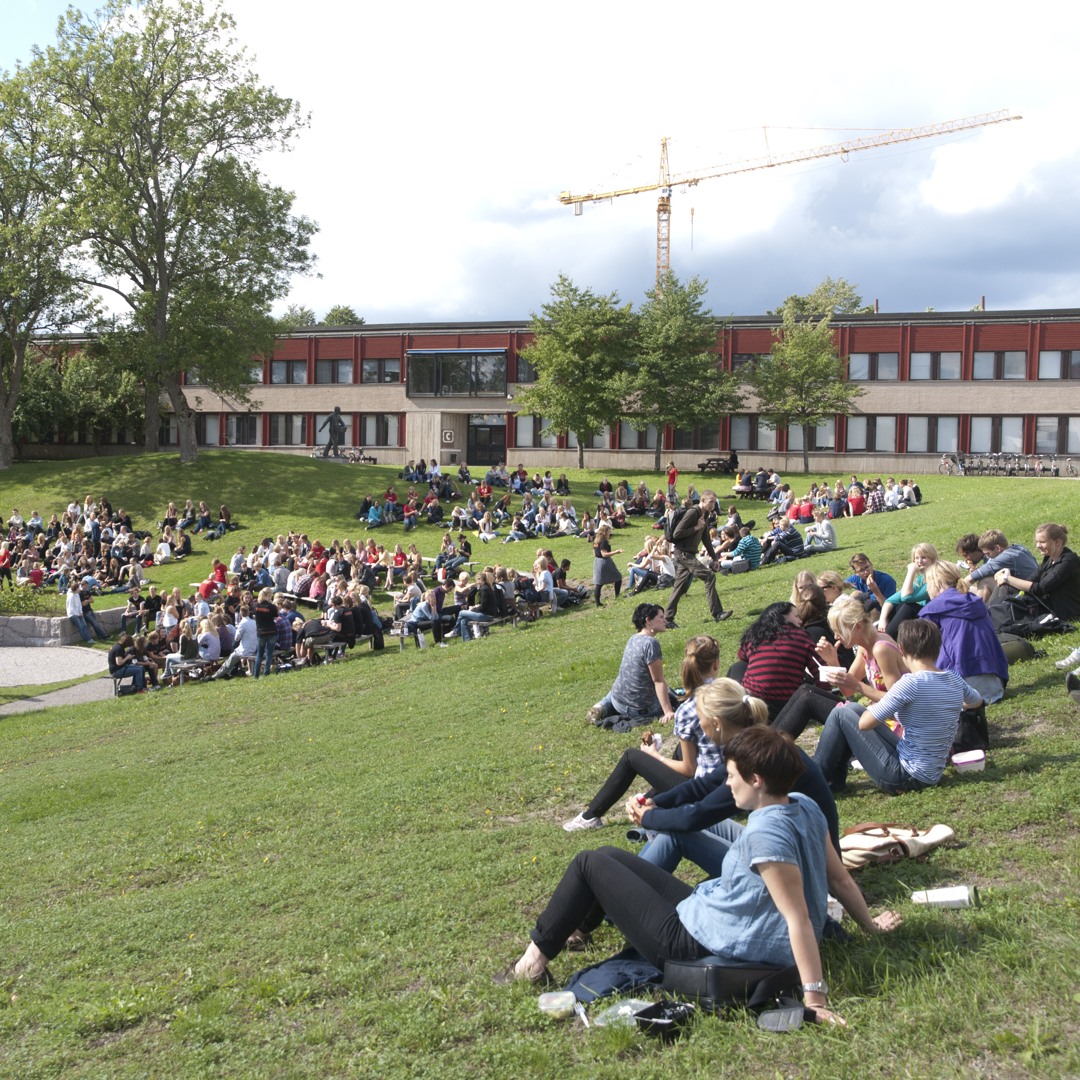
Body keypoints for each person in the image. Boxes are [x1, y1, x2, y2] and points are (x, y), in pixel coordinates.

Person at [498, 726, 902, 1029]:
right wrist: (871, 927)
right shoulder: (804, 806)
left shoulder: (767, 833)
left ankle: (530, 965)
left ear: (757, 780)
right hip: (712, 918)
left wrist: (814, 997)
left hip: (696, 945)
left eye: (731, 776)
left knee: (588, 862)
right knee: (605, 855)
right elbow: (842, 881)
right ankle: (554, 944)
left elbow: (796, 918)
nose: (726, 783)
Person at [563, 636, 722, 831]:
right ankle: (648, 801)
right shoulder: (732, 694)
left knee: (631, 757)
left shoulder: (688, 710)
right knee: (682, 748)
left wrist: (654, 756)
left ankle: (590, 816)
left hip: (705, 792)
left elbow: (689, 770)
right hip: (731, 783)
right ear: (716, 664)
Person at [814, 619, 983, 795]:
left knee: (842, 713)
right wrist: (947, 704)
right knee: (852, 709)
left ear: (901, 650)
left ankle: (815, 781)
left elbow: (865, 724)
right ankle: (833, 781)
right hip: (928, 771)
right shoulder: (954, 679)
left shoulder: (910, 683)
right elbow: (977, 701)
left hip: (905, 776)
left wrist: (858, 686)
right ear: (938, 647)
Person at [920, 562, 1009, 704]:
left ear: (937, 583)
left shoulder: (932, 610)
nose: (927, 590)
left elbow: (921, 654)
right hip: (996, 685)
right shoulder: (977, 602)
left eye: (927, 584)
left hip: (960, 689)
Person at [584, 603, 680, 731]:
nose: (665, 620)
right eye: (661, 617)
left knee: (620, 685)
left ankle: (602, 705)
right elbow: (658, 681)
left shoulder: (633, 638)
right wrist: (668, 711)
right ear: (648, 620)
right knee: (669, 694)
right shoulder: (651, 643)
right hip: (639, 709)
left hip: (617, 701)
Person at [729, 602, 823, 721]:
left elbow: (742, 656)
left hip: (753, 700)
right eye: (797, 616)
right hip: (786, 703)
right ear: (782, 616)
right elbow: (819, 669)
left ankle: (735, 701)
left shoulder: (754, 635)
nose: (800, 621)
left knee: (739, 666)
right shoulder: (801, 636)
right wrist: (824, 694)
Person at [664, 489, 732, 628]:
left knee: (679, 587)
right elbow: (677, 534)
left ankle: (667, 619)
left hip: (689, 553)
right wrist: (696, 527)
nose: (713, 505)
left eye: (714, 502)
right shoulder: (692, 513)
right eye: (710, 502)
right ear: (702, 500)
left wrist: (715, 558)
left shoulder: (705, 514)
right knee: (709, 577)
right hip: (683, 553)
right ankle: (717, 613)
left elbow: (705, 537)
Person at [992, 522, 1080, 622]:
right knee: (1005, 587)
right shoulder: (1049, 558)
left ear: (1057, 542)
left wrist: (1007, 578)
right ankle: (991, 616)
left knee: (1006, 585)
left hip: (1061, 611)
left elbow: (1041, 588)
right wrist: (1007, 575)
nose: (1038, 545)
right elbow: (1031, 580)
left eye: (1042, 542)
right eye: (1037, 542)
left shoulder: (1068, 561)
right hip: (1044, 603)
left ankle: (994, 619)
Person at [877, 543, 938, 638]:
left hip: (933, 620)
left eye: (924, 557)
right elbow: (890, 601)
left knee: (909, 606)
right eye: (916, 558)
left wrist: (911, 571)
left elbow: (906, 597)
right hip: (923, 617)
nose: (919, 561)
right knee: (898, 606)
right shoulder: (921, 579)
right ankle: (887, 638)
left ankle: (886, 639)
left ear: (933, 558)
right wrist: (882, 619)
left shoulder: (936, 578)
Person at [591, 522, 623, 607]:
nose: (610, 533)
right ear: (605, 532)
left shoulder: (596, 540)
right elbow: (604, 554)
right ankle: (617, 596)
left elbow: (594, 553)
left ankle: (597, 603)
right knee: (618, 577)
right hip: (605, 562)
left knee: (599, 583)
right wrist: (616, 552)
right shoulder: (604, 541)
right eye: (609, 531)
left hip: (597, 562)